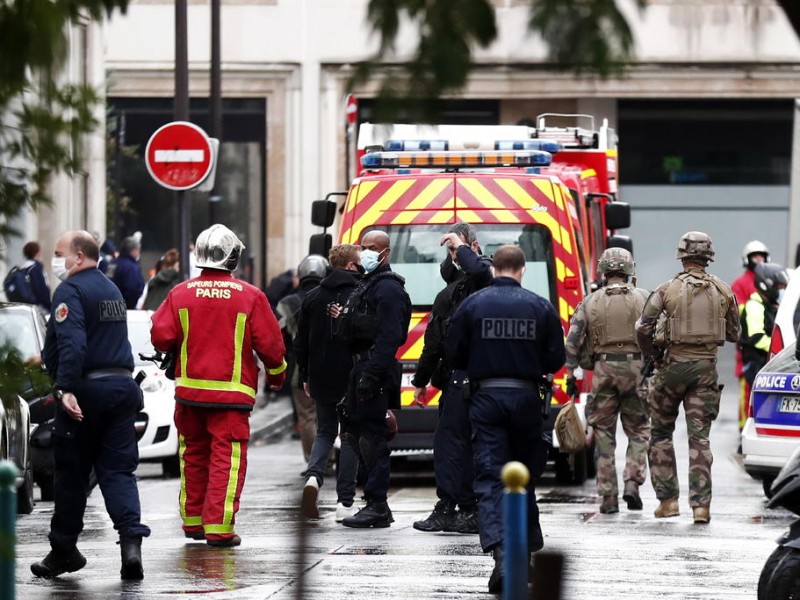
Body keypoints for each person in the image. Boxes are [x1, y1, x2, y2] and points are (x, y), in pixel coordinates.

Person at [150, 224, 287, 547]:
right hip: (231, 396)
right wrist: (278, 376)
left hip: (189, 394)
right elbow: (271, 346)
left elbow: (161, 335)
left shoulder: (180, 293)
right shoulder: (250, 296)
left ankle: (194, 522)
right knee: (226, 460)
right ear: (233, 256)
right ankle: (219, 528)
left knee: (193, 456)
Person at [31, 230, 150, 580]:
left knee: (70, 473)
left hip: (87, 392)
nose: (56, 261)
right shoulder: (110, 289)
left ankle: (64, 549)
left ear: (79, 256)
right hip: (121, 389)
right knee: (118, 472)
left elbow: (74, 345)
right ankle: (130, 546)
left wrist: (65, 388)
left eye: (60, 253)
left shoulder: (70, 289)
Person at [446, 244, 566, 594]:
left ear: (495, 268)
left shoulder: (472, 305)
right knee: (522, 475)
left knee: (490, 476)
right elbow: (555, 358)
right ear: (523, 269)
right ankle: (525, 549)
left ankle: (502, 554)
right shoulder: (540, 306)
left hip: (485, 398)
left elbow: (455, 354)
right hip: (527, 398)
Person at [635, 231, 740, 524]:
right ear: (708, 257)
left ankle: (668, 502)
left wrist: (651, 357)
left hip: (670, 369)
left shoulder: (665, 289)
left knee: (660, 433)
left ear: (682, 256)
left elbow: (643, 328)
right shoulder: (723, 290)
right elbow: (734, 333)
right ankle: (701, 507)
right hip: (705, 371)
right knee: (700, 440)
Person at [411, 223, 492, 534]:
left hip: (470, 381)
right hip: (458, 381)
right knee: (456, 446)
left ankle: (459, 507)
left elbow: (481, 272)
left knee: (454, 446)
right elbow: (433, 344)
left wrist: (461, 248)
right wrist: (422, 380)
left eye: (455, 250)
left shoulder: (484, 278)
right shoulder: (451, 293)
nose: (452, 257)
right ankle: (457, 506)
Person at [564, 247, 650, 514]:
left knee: (602, 433)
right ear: (629, 270)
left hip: (603, 371)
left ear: (603, 270)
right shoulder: (645, 299)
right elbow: (658, 335)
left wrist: (570, 375)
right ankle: (632, 483)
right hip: (637, 370)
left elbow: (572, 343)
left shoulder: (590, 302)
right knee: (638, 431)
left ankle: (608, 497)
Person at [336, 230, 411, 528]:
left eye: (371, 248)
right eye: (362, 247)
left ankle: (378, 504)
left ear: (385, 253)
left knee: (373, 438)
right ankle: (373, 502)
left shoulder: (388, 289)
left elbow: (390, 337)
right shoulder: (367, 285)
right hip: (360, 368)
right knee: (356, 435)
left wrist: (371, 375)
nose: (365, 253)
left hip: (373, 369)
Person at [295, 244, 362, 521]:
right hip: (350, 375)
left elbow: (301, 342)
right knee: (349, 436)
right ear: (349, 266)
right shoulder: (360, 293)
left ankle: (313, 479)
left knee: (324, 431)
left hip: (320, 374)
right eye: (358, 262)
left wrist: (305, 375)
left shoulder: (312, 297)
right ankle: (345, 503)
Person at [276, 255, 329, 462]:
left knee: (307, 417)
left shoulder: (286, 303)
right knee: (328, 416)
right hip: (330, 366)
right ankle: (330, 456)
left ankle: (314, 461)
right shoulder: (332, 297)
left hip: (299, 368)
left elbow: (277, 338)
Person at [732, 240, 771, 432]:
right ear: (747, 259)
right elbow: (737, 312)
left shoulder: (769, 279)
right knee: (746, 391)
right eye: (755, 256)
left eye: (761, 256)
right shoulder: (740, 283)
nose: (759, 259)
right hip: (748, 346)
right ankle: (743, 430)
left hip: (767, 344)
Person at [740, 263, 790, 391]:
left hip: (768, 364)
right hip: (757, 365)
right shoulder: (754, 306)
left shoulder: (770, 306)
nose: (782, 291)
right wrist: (783, 349)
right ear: (766, 285)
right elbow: (756, 337)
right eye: (779, 287)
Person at [109, 235, 145, 309]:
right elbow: (133, 289)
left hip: (108, 307)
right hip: (125, 308)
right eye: (138, 250)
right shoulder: (131, 268)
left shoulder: (112, 263)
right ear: (133, 250)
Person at [22, 241, 52, 314]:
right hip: (39, 308)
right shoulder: (36, 268)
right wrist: (49, 306)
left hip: (26, 306)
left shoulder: (23, 268)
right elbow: (41, 289)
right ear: (37, 253)